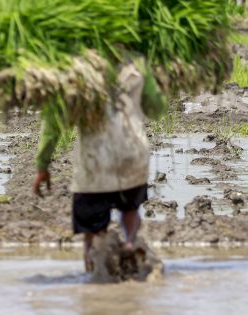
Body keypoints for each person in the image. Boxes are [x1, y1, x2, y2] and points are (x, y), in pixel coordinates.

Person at [33, 60, 165, 272]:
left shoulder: (74, 69)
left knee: (92, 231)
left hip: (95, 161)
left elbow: (53, 121)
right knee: (130, 209)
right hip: (132, 153)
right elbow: (157, 108)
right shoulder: (137, 62)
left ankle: (95, 271)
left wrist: (42, 164)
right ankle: (130, 242)